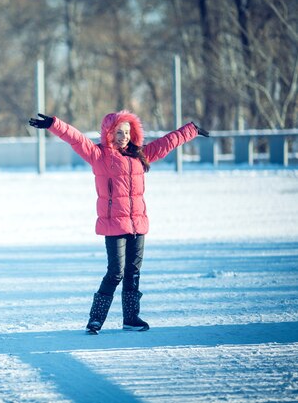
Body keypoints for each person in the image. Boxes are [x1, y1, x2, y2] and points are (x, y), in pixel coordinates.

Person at [28, 111, 209, 334]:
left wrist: (190, 131)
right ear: (109, 133)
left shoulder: (139, 155)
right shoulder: (99, 155)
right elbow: (76, 139)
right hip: (114, 224)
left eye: (127, 132)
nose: (124, 136)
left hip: (138, 224)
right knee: (115, 272)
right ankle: (95, 320)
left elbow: (165, 144)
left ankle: (131, 318)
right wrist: (54, 124)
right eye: (119, 132)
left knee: (133, 272)